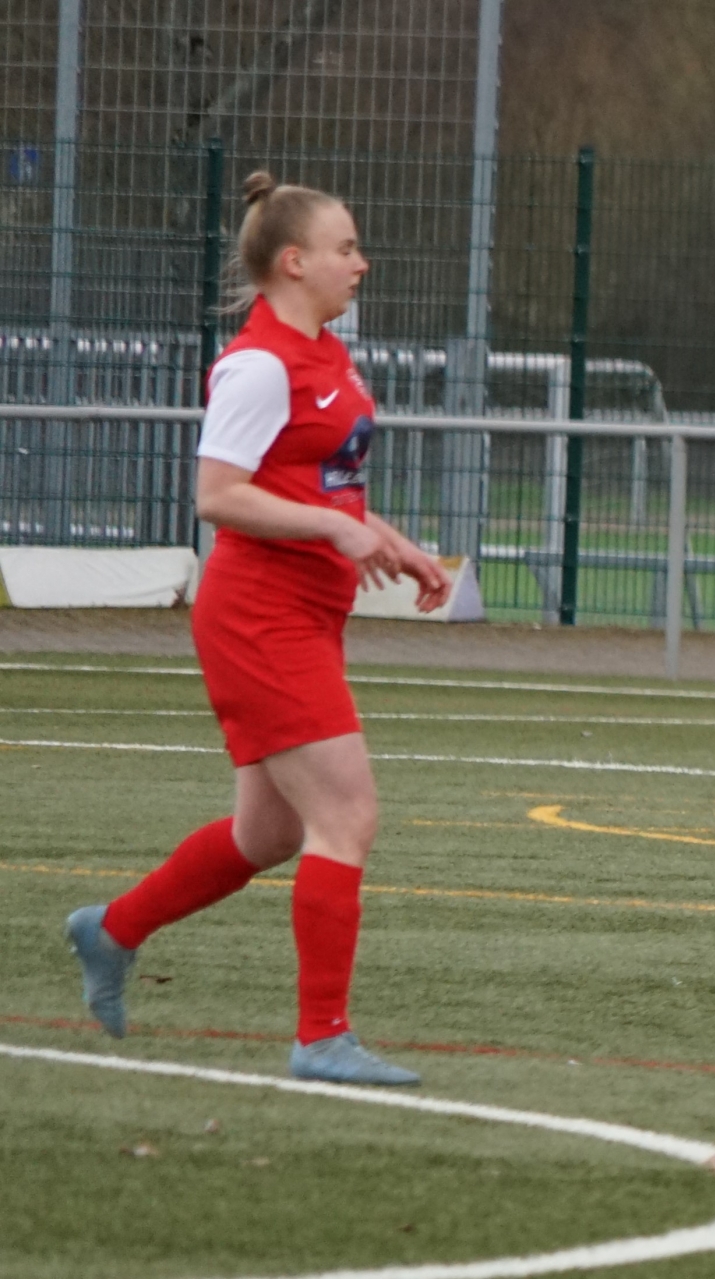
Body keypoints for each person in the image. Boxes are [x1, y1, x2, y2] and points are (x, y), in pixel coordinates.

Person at [64, 171, 450, 1085]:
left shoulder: (329, 355)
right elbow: (217, 496)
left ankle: (112, 929)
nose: (361, 262)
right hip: (259, 616)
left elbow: (319, 483)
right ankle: (321, 1038)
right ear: (294, 261)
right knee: (346, 814)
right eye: (346, 247)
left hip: (307, 612)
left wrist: (393, 542)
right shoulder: (260, 365)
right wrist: (335, 530)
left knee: (268, 834)